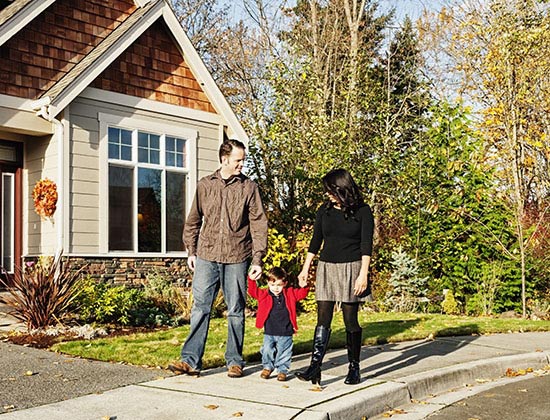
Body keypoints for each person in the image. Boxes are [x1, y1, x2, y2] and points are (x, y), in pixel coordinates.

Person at [169, 139, 268, 378]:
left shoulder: (249, 188)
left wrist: (257, 259)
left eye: (243, 160)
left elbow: (259, 224)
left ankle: (234, 361)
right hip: (207, 254)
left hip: (237, 256)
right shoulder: (205, 185)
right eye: (238, 160)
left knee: (235, 309)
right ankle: (191, 361)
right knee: (200, 307)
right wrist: (191, 251)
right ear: (224, 159)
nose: (242, 165)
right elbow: (193, 220)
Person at [296, 168, 374, 386]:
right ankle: (315, 366)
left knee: (350, 320)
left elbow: (366, 245)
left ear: (342, 188)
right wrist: (306, 268)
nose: (328, 194)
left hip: (352, 268)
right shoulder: (325, 210)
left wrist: (363, 275)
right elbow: (315, 240)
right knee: (323, 318)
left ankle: (354, 367)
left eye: (331, 190)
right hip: (327, 267)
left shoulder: (363, 211)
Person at [247, 267, 309, 382]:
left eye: (279, 285)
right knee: (267, 350)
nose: (276, 288)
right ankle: (267, 367)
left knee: (284, 352)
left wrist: (304, 285)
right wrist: (251, 279)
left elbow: (302, 294)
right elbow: (252, 291)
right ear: (268, 283)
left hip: (286, 330)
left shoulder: (290, 293)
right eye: (272, 285)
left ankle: (282, 370)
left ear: (285, 283)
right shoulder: (264, 294)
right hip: (269, 330)